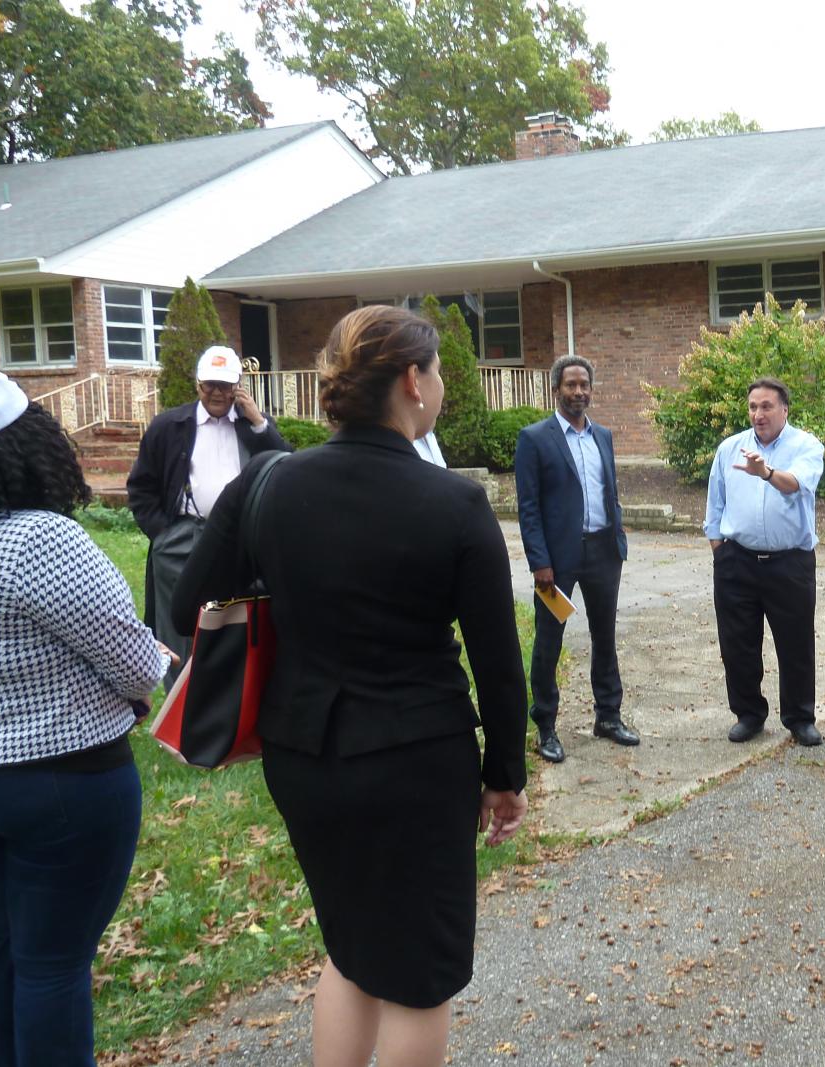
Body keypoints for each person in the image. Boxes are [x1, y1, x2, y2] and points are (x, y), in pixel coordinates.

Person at [172, 306, 528, 1067]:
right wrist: (505, 776)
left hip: (303, 755)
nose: (437, 385)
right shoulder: (456, 503)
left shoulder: (270, 482)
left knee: (352, 942)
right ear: (412, 381)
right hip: (414, 763)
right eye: (433, 372)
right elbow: (499, 665)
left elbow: (187, 604)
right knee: (419, 979)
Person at [0, 363, 169, 1066]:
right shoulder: (39, 540)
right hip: (65, 785)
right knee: (53, 964)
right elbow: (138, 664)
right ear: (23, 441)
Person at [127, 344, 289, 684]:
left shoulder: (251, 424)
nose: (217, 393)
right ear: (198, 384)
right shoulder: (169, 425)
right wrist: (163, 533)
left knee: (235, 617)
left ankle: (227, 695)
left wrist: (259, 422)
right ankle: (179, 706)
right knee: (178, 624)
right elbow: (141, 486)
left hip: (239, 539)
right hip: (182, 536)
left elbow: (286, 467)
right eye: (210, 384)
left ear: (238, 386)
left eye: (226, 386)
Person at [514, 354, 637, 763]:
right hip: (557, 560)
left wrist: (617, 534)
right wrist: (539, 562)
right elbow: (528, 507)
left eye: (584, 384)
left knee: (605, 636)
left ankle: (608, 715)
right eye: (571, 385)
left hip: (603, 551)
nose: (579, 391)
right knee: (549, 640)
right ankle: (545, 726)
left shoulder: (602, 435)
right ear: (557, 389)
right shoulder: (535, 438)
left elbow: (609, 490)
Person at [703, 377, 825, 747]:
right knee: (737, 643)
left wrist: (767, 472)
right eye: (753, 407)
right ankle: (749, 713)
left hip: (790, 563)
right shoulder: (729, 448)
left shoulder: (806, 446)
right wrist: (718, 547)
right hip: (736, 561)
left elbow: (796, 484)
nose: (759, 414)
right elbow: (715, 499)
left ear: (784, 409)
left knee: (795, 644)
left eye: (767, 406)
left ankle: (800, 718)